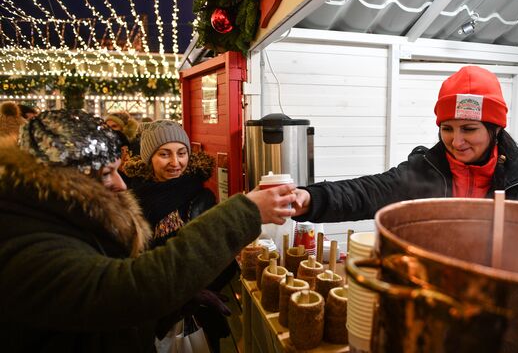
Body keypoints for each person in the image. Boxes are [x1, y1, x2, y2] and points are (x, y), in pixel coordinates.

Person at [0, 109, 296, 352]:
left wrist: (184, 296)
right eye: (105, 173)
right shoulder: (25, 241)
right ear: (62, 179)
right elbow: (128, 288)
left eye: (182, 153)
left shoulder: (59, 215)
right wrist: (245, 212)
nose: (119, 184)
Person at [292, 66, 518, 224]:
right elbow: (365, 192)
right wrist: (310, 198)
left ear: (495, 129)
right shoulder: (424, 171)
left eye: (469, 129)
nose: (456, 142)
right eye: (446, 129)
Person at [122, 120, 235, 352]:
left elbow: (218, 255)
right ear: (148, 157)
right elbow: (132, 265)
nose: (175, 162)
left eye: (182, 153)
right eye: (164, 154)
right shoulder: (132, 202)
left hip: (200, 314)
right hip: (154, 315)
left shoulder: (201, 196)